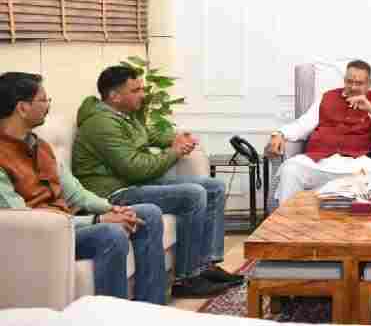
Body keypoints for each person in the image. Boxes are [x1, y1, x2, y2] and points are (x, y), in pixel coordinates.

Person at [72, 65, 242, 298]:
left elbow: (148, 135)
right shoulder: (101, 123)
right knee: (193, 194)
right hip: (114, 193)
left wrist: (176, 138)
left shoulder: (124, 115)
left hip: (132, 186)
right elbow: (135, 169)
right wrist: (174, 152)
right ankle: (187, 278)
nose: (142, 94)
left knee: (214, 187)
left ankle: (205, 266)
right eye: (135, 90)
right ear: (114, 96)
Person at [0, 72, 166, 304]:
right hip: (41, 237)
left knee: (148, 213)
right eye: (43, 100)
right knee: (111, 234)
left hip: (67, 223)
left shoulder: (40, 146)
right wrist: (97, 220)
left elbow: (76, 193)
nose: (48, 105)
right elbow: (24, 221)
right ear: (22, 108)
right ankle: (109, 316)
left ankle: (150, 306)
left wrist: (111, 208)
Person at [266, 60, 371, 202]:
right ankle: (288, 216)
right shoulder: (327, 97)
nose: (353, 87)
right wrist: (280, 133)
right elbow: (302, 125)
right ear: (344, 80)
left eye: (359, 83)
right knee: (290, 170)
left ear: (369, 83)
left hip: (357, 166)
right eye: (349, 82)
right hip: (318, 163)